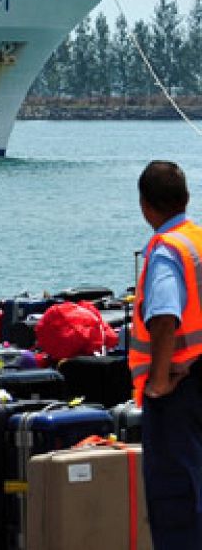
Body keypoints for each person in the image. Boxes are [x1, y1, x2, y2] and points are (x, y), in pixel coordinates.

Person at [130, 160, 202, 548]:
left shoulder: (166, 251)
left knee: (176, 500)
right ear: (186, 198)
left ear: (145, 206)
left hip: (179, 392)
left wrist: (158, 382)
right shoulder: (198, 240)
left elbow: (163, 316)